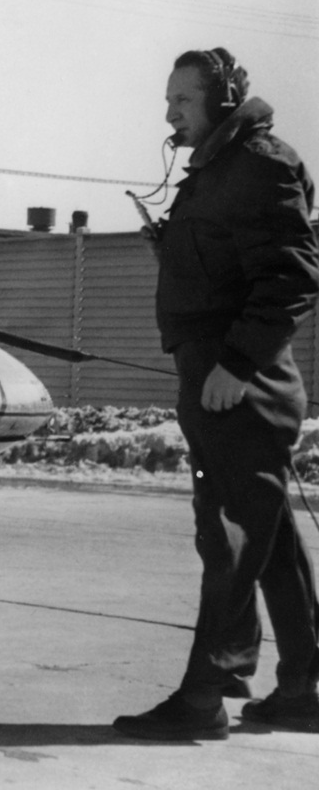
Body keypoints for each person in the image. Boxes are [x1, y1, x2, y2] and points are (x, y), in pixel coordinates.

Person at [114, 48, 319, 741]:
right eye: (168, 101)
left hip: (239, 384)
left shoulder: (259, 164)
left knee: (229, 537)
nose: (170, 113)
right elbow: (229, 267)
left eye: (183, 100)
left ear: (224, 99)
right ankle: (303, 688)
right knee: (272, 541)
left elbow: (291, 276)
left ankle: (206, 693)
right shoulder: (217, 170)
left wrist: (236, 364)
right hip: (218, 376)